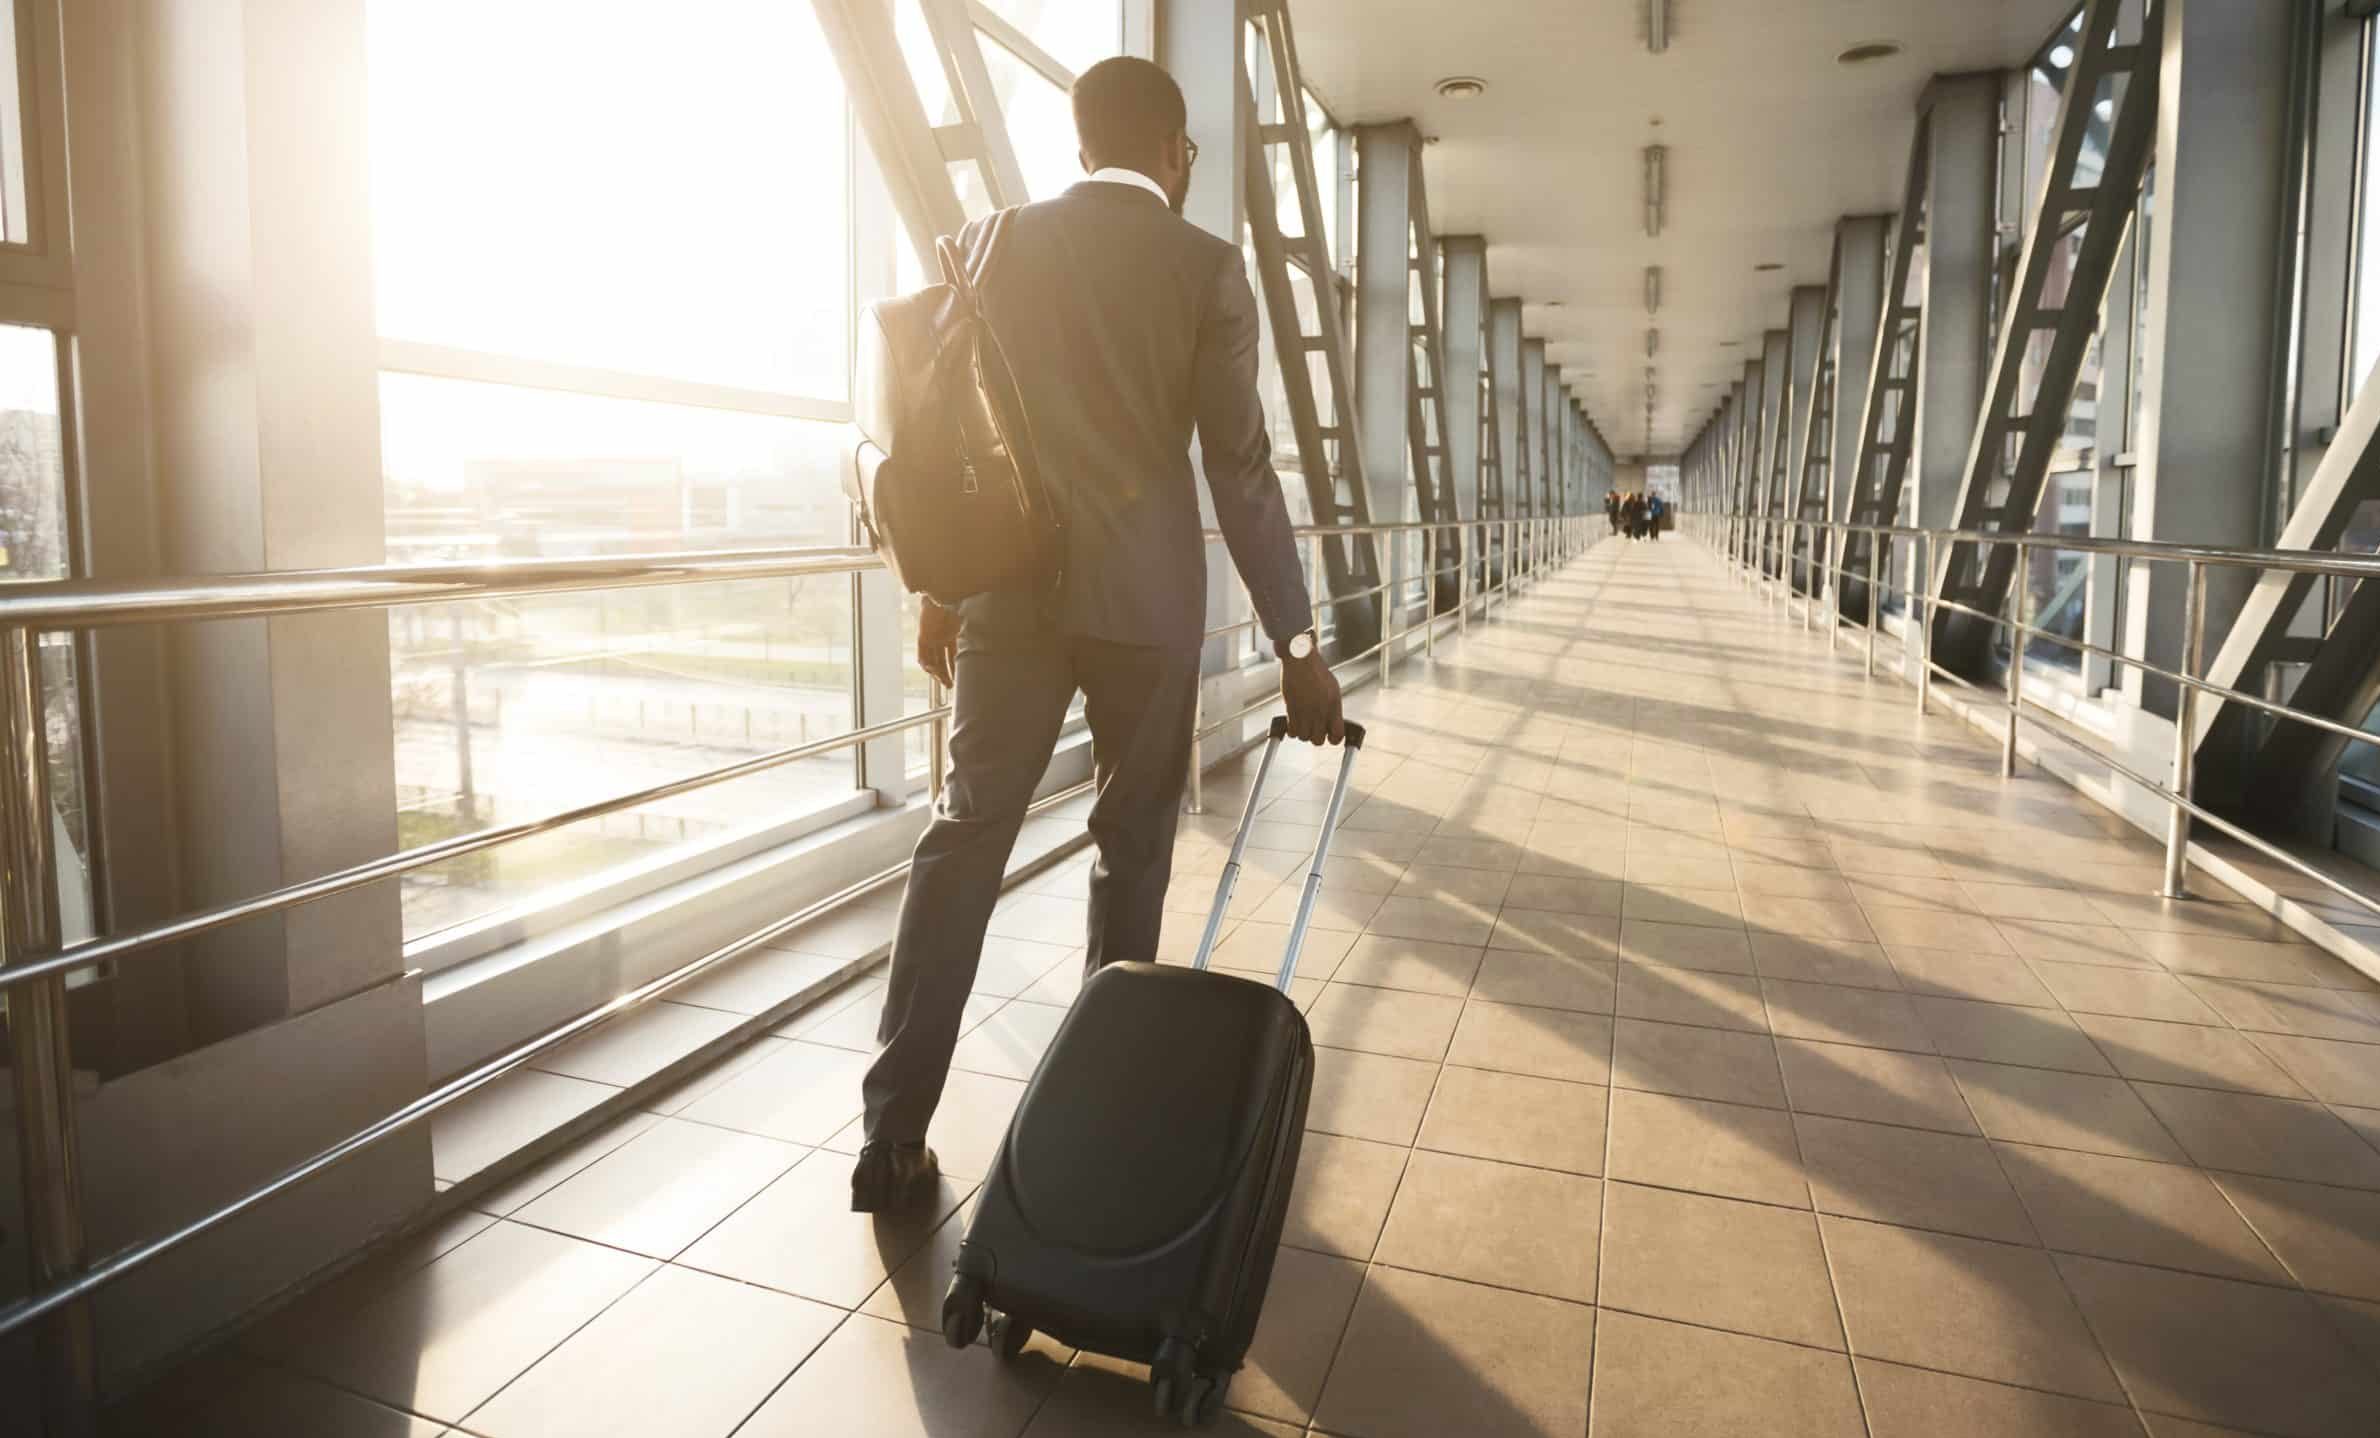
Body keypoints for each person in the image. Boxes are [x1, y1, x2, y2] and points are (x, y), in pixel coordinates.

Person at [852, 56, 1347, 1213]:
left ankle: (890, 1139)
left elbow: (941, 439)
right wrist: (1297, 640)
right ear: (1176, 152)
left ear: (1079, 148)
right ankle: (1085, 1135)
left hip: (1007, 603)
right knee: (1129, 856)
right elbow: (1239, 469)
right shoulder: (1207, 270)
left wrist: (939, 592)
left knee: (962, 844)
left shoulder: (986, 244)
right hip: (1148, 611)